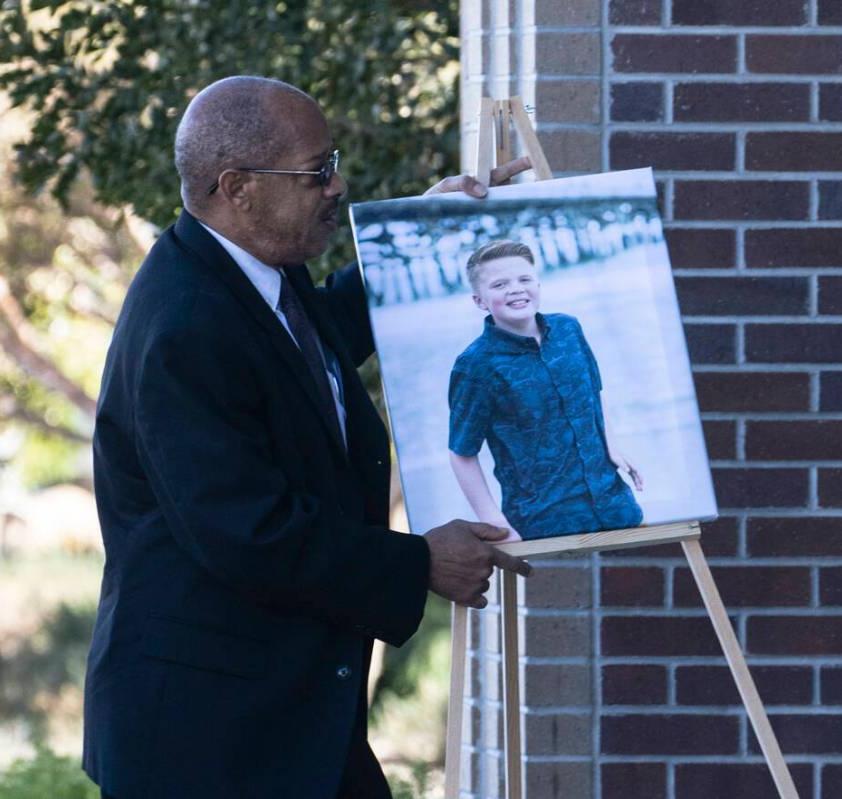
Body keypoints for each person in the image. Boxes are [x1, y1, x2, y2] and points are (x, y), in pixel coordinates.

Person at [82, 76, 533, 799]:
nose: (337, 185)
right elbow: (247, 530)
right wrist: (417, 562)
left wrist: (426, 230)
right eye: (316, 172)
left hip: (277, 721)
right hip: (208, 742)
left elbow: (313, 345)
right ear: (238, 187)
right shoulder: (185, 325)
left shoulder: (248, 274)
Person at [448, 240, 644, 542]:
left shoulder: (569, 329)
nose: (516, 289)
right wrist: (496, 525)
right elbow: (462, 452)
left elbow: (594, 394)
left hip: (616, 506)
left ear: (537, 283)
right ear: (479, 300)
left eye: (524, 279)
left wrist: (612, 446)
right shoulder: (475, 366)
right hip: (542, 522)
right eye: (500, 284)